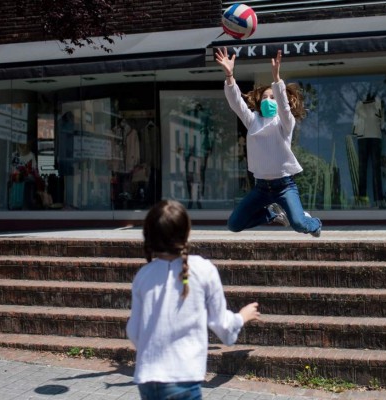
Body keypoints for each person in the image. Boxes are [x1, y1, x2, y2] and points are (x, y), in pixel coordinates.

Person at [126, 199, 260, 400]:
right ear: (187, 232)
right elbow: (221, 324)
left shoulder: (143, 275)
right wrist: (242, 317)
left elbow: (133, 330)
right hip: (183, 376)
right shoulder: (203, 269)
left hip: (148, 377)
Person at [215, 47, 322, 237]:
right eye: (264, 97)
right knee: (234, 224)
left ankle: (315, 224)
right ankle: (272, 214)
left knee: (298, 224)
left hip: (284, 186)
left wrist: (277, 80)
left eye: (272, 97)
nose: (268, 100)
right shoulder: (253, 121)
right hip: (261, 187)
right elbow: (236, 103)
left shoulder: (285, 123)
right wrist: (230, 75)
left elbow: (284, 107)